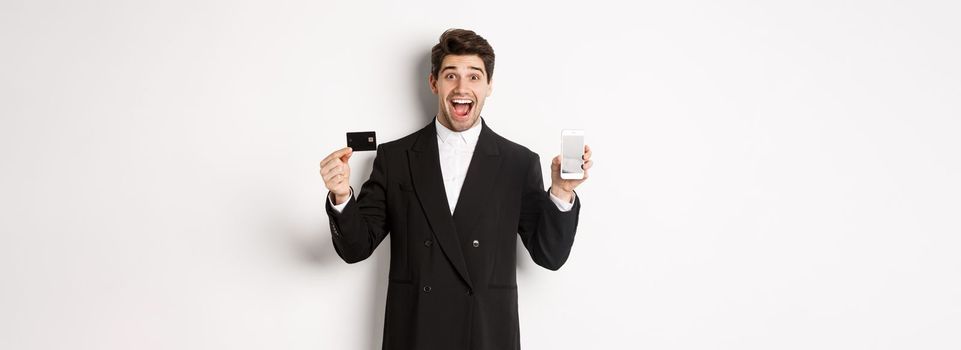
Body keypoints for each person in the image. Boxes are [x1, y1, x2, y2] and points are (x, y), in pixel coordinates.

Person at [318, 28, 593, 350]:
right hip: (416, 331)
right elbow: (355, 248)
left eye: (474, 77)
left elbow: (550, 256)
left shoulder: (518, 162)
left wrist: (561, 191)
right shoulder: (395, 158)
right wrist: (340, 195)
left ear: (489, 86)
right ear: (434, 83)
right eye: (451, 75)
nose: (462, 87)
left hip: (487, 333)